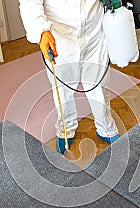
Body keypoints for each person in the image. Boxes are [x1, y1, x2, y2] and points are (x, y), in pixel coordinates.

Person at [19, 0, 120, 154]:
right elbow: (29, 3)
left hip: (94, 33)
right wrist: (41, 31)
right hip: (60, 38)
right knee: (63, 91)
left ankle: (106, 128)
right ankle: (66, 130)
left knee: (99, 86)